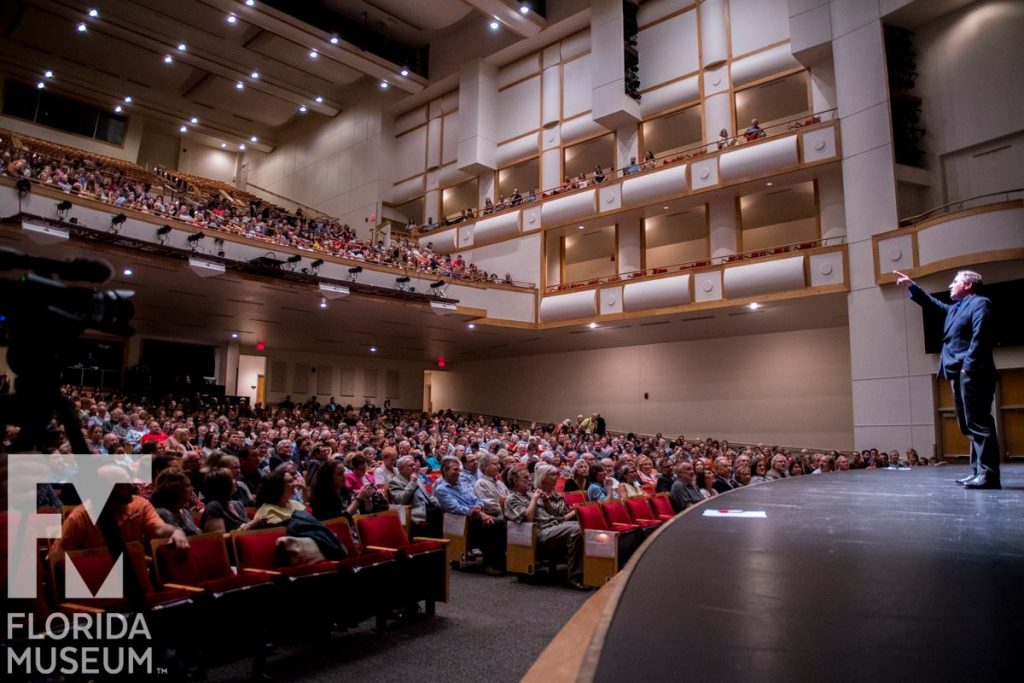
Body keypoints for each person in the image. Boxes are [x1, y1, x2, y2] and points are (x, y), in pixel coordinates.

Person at [895, 270, 1000, 489]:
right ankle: (976, 472)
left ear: (969, 285)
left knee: (979, 423)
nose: (950, 285)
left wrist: (967, 368)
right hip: (957, 372)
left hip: (972, 372)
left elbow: (980, 337)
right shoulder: (956, 308)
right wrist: (912, 286)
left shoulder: (981, 303)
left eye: (955, 282)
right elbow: (932, 305)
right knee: (969, 425)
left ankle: (989, 474)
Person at [504, 464, 587, 591]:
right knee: (576, 530)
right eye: (525, 478)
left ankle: (587, 572)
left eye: (529, 477)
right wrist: (534, 499)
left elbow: (555, 515)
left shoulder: (532, 494)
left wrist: (547, 501)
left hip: (554, 526)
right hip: (539, 532)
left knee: (585, 526)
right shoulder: (512, 499)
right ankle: (574, 577)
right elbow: (527, 518)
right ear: (515, 480)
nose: (529, 480)